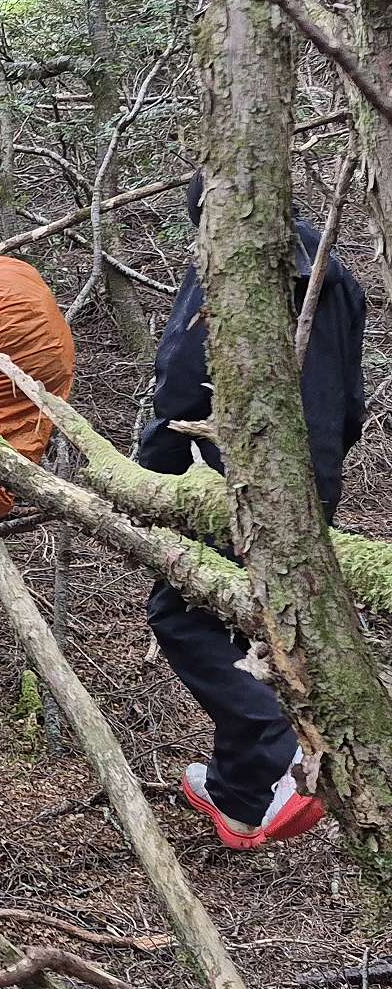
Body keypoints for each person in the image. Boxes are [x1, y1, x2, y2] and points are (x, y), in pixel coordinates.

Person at [137, 172, 365, 850]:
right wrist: (323, 469)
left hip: (239, 477)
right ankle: (240, 795)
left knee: (181, 612)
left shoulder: (228, 267)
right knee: (256, 619)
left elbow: (182, 379)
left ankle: (278, 749)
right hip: (313, 477)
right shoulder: (336, 276)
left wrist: (152, 477)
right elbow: (352, 403)